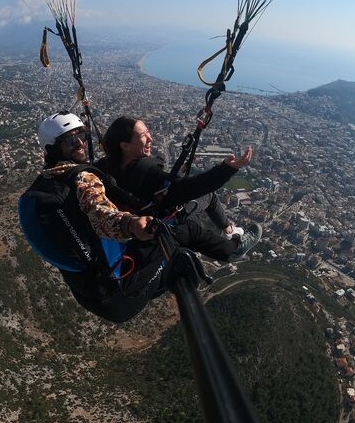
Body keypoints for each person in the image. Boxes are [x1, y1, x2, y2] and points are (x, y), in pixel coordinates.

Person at [19, 111, 168, 323]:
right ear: (53, 148)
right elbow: (100, 212)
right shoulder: (83, 178)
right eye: (70, 140)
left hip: (90, 294)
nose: (80, 143)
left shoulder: (47, 181)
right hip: (121, 295)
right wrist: (131, 224)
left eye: (83, 136)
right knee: (177, 233)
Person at [96, 115, 262, 263]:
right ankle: (233, 244)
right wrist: (226, 170)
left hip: (137, 217)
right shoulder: (147, 173)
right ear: (124, 145)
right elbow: (189, 188)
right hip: (163, 220)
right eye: (142, 135)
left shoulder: (103, 166)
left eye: (148, 132)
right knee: (202, 206)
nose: (150, 138)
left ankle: (228, 232)